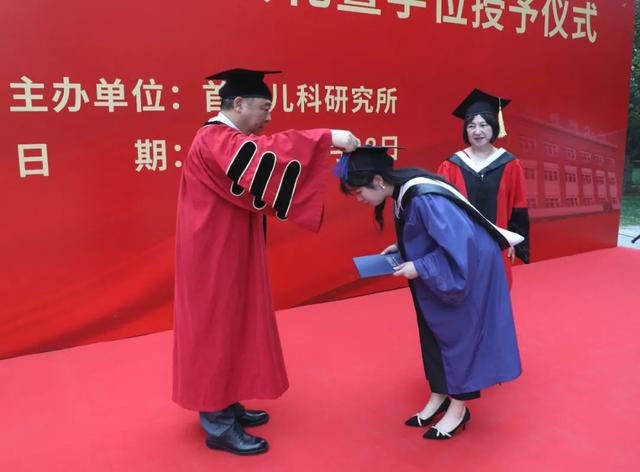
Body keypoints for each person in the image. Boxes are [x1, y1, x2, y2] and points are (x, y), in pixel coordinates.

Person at [173, 68, 359, 455]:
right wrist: (327, 137)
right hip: (213, 256)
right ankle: (217, 423)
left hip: (228, 248)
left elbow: (259, 161)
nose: (269, 117)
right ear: (239, 104)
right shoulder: (214, 138)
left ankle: (226, 401)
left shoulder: (226, 140)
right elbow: (265, 157)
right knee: (215, 329)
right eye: (265, 108)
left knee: (234, 323)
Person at [336, 146, 522, 440]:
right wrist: (402, 248)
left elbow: (460, 247)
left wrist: (420, 265)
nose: (359, 199)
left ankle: (458, 409)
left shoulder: (424, 198)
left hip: (470, 268)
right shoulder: (403, 193)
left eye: (359, 192)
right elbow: (432, 233)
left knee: (458, 335)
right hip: (448, 265)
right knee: (433, 331)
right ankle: (440, 393)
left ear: (378, 181)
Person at [437, 89, 530, 286]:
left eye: (483, 125)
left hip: (498, 246)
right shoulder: (451, 165)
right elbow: (441, 209)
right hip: (461, 247)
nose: (477, 131)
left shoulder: (510, 164)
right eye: (471, 126)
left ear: (494, 126)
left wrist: (513, 241)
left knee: (497, 290)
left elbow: (518, 206)